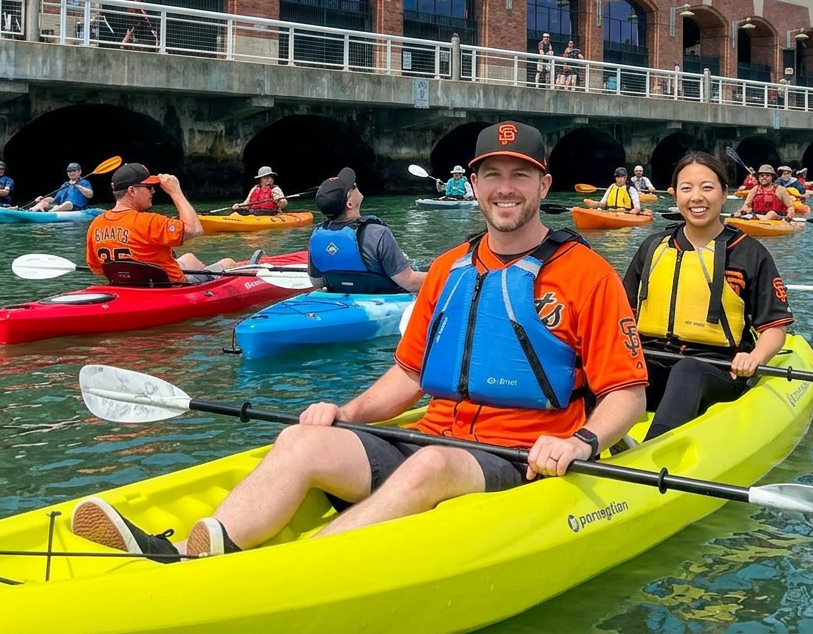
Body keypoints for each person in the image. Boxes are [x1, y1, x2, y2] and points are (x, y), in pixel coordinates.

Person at [71, 121, 647, 560]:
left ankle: (293, 572)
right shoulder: (449, 268)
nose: (505, 189)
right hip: (432, 435)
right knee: (302, 441)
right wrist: (343, 412)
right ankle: (200, 550)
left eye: (520, 174)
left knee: (430, 468)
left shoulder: (586, 273)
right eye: (491, 175)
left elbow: (627, 392)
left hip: (518, 456)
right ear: (473, 185)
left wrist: (583, 442)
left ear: (543, 183)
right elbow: (408, 377)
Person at [623, 151, 794, 440]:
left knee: (688, 371)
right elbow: (621, 313)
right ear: (675, 195)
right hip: (651, 360)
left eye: (707, 187)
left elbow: (775, 325)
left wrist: (756, 356)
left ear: (724, 194)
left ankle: (649, 457)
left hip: (719, 370)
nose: (696, 197)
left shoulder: (749, 253)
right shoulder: (653, 247)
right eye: (686, 188)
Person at [85, 163, 239, 284]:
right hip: (170, 287)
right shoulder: (149, 221)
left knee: (189, 257)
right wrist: (175, 192)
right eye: (149, 187)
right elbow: (195, 229)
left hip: (127, 285)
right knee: (228, 262)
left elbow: (98, 269)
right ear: (132, 191)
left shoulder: (96, 224)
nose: (153, 192)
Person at [309, 169, 425, 295]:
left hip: (342, 298)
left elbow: (317, 283)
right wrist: (443, 277)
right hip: (384, 301)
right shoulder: (378, 233)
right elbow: (410, 282)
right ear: (349, 203)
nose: (356, 185)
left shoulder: (317, 236)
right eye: (353, 186)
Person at [30, 162, 94, 213]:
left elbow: (90, 195)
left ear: (79, 171)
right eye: (69, 171)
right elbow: (55, 200)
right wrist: (43, 199)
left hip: (76, 208)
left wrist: (77, 186)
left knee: (68, 203)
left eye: (73, 170)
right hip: (62, 206)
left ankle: (48, 213)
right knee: (45, 200)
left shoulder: (84, 182)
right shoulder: (65, 184)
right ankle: (32, 210)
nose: (71, 173)